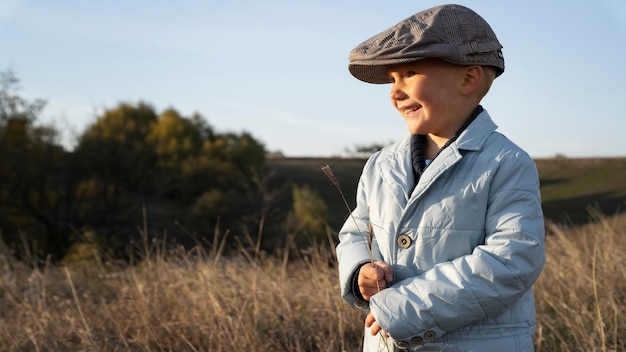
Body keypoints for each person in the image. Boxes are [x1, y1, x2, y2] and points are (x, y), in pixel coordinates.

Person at [336, 4, 546, 351]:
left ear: (468, 78)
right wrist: (360, 269)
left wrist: (402, 307)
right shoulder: (380, 164)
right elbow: (355, 231)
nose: (395, 92)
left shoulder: (506, 162)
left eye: (411, 74)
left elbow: (512, 260)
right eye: (392, 79)